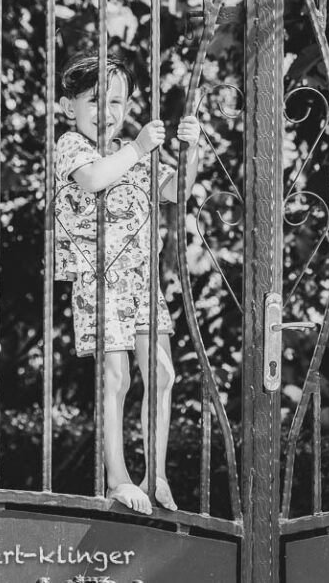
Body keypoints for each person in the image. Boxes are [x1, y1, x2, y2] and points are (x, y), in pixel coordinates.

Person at [54, 51, 202, 515]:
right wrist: (137, 148)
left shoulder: (131, 152)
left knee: (162, 374)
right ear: (69, 107)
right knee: (115, 379)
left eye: (117, 102)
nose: (107, 111)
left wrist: (192, 148)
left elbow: (177, 190)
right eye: (95, 100)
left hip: (142, 281)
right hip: (101, 280)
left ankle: (155, 474)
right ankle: (117, 479)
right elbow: (94, 179)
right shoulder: (73, 145)